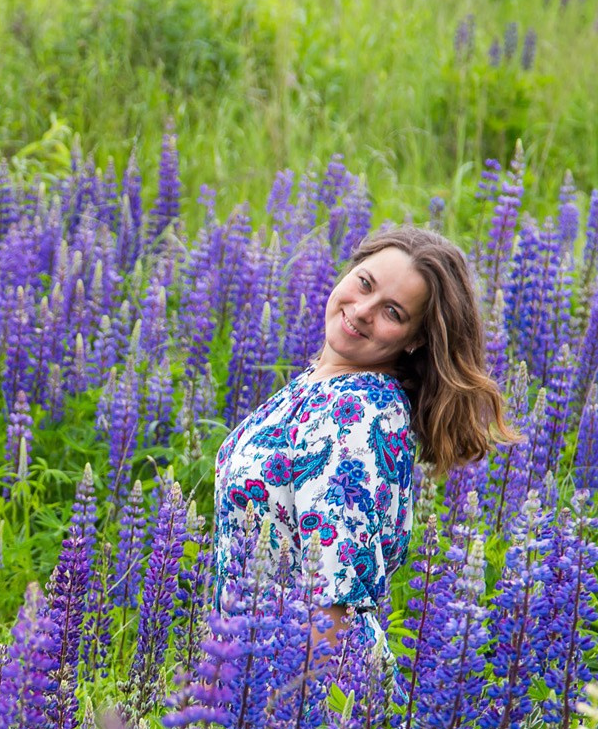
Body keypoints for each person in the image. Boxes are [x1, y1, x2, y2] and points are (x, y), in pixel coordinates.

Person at [210, 224, 517, 656]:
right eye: (365, 283)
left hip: (300, 677)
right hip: (252, 668)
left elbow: (336, 597)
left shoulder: (355, 412)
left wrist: (300, 697)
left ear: (415, 340)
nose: (363, 310)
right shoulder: (322, 383)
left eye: (393, 312)